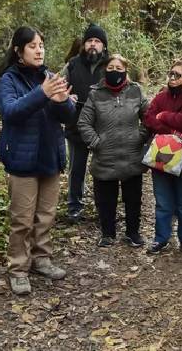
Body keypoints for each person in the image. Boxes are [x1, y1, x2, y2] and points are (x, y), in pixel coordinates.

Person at [0, 26, 75, 295]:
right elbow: (10, 111)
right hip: (22, 158)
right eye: (32, 46)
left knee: (46, 216)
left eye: (41, 45)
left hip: (49, 155)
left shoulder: (50, 77)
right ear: (19, 51)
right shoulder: (9, 80)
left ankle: (42, 259)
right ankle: (18, 269)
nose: (39, 50)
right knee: (22, 220)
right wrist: (43, 93)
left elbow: (67, 115)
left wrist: (63, 101)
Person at [77, 54, 149, 248]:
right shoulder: (95, 94)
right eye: (110, 68)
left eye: (119, 68)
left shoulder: (136, 91)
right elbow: (83, 123)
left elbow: (149, 117)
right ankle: (107, 233)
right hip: (105, 158)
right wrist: (96, 142)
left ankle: (133, 233)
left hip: (132, 156)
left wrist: (140, 136)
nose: (114, 71)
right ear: (104, 70)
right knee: (105, 200)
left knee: (133, 199)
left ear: (125, 70)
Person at [143, 60, 182, 255]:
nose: (172, 77)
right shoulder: (161, 97)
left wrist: (164, 117)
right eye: (171, 73)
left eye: (177, 75)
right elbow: (149, 119)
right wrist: (172, 127)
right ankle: (161, 238)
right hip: (161, 159)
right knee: (163, 202)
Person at [61, 24, 111, 222]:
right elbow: (58, 86)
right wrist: (66, 97)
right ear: (83, 44)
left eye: (97, 41)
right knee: (77, 168)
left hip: (103, 127)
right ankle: (74, 206)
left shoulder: (111, 65)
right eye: (89, 41)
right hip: (76, 124)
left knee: (104, 168)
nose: (92, 45)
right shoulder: (72, 64)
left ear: (104, 46)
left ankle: (104, 206)